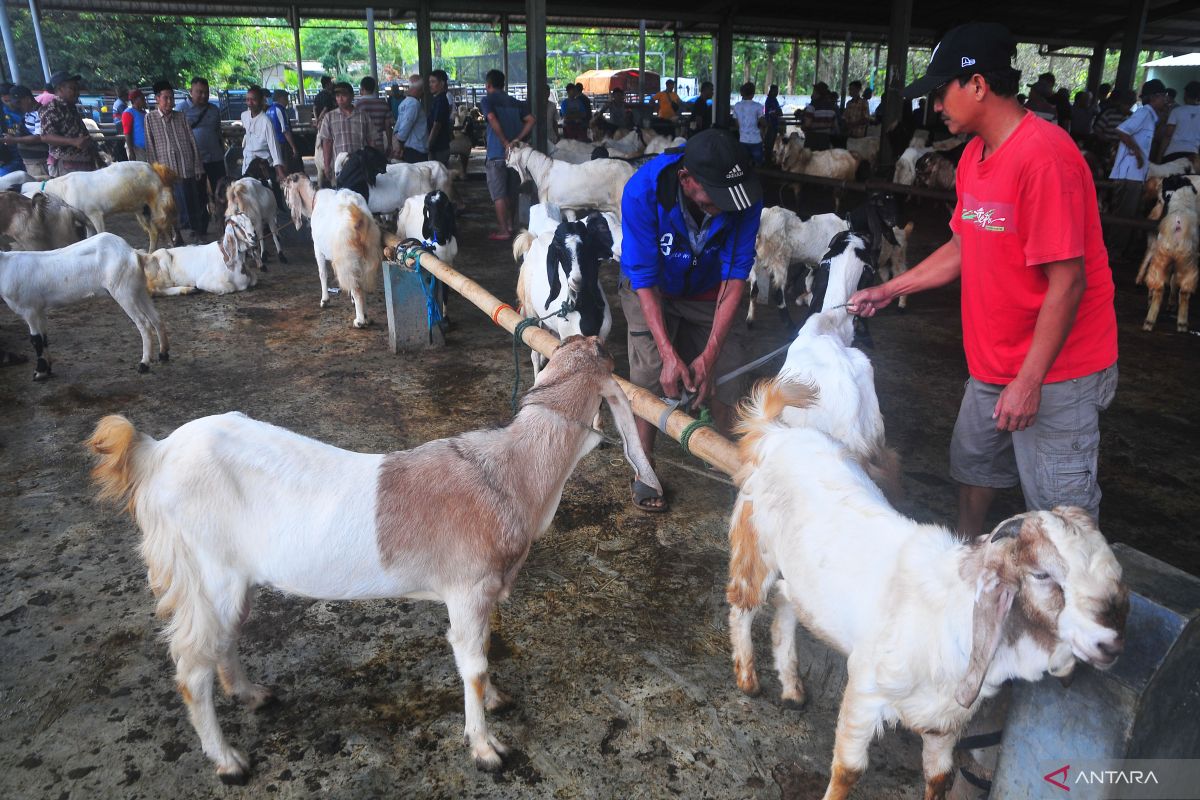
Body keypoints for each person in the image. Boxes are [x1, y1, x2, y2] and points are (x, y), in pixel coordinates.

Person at [848, 22, 1117, 533]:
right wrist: (888, 289)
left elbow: (1068, 283)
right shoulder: (974, 156)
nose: (936, 107)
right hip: (993, 362)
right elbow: (963, 246)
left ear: (976, 86)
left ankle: (1073, 606)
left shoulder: (1044, 157)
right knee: (972, 468)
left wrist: (1030, 381)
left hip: (1057, 370)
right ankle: (970, 563)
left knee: (1061, 514)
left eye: (941, 92)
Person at [619, 128, 762, 512]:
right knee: (649, 376)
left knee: (730, 376)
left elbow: (735, 278)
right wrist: (668, 352)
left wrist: (710, 355)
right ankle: (644, 468)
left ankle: (737, 469)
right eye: (715, 198)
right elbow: (643, 280)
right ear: (687, 180)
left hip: (710, 290)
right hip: (654, 289)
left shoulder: (743, 197)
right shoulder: (642, 192)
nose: (728, 206)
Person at [1107, 79, 1170, 255]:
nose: (1165, 100)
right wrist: (1137, 153)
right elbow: (1122, 130)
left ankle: (1116, 250)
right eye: (1163, 97)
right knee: (1124, 215)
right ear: (1155, 98)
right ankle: (1114, 252)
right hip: (1129, 174)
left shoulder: (1150, 116)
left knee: (1126, 213)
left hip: (1134, 173)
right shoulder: (1143, 114)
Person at [144, 79, 206, 243]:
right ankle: (177, 236)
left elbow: (192, 141)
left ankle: (195, 234)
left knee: (192, 202)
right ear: (158, 98)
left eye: (172, 98)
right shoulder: (150, 119)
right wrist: (153, 173)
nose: (170, 101)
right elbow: (150, 147)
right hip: (166, 172)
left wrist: (198, 166)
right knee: (172, 206)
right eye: (166, 98)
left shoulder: (181, 117)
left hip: (186, 167)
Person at [479, 68, 534, 241]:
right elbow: (531, 120)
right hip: (516, 155)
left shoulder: (487, 100)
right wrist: (516, 139)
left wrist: (504, 142)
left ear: (488, 85)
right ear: (502, 84)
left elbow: (492, 118)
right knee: (511, 192)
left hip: (497, 154)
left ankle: (504, 230)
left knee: (499, 194)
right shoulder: (515, 102)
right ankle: (511, 225)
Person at [179, 77, 226, 234]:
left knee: (222, 191)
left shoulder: (214, 110)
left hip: (215, 158)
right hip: (194, 161)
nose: (203, 96)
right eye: (199, 92)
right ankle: (199, 229)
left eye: (206, 92)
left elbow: (218, 132)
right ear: (191, 92)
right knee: (197, 195)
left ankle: (225, 224)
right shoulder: (181, 110)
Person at [39, 71, 98, 176]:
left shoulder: (70, 107)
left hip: (83, 163)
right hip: (66, 167)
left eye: (77, 89)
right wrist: (73, 141)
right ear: (60, 89)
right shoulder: (51, 109)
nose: (78, 93)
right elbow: (45, 137)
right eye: (73, 89)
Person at [318, 81, 375, 180]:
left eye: (344, 95)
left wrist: (373, 161)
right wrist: (327, 166)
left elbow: (371, 140)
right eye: (337, 96)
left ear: (352, 96)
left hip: (360, 165)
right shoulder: (329, 117)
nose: (340, 99)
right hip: (340, 166)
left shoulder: (363, 116)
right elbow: (327, 143)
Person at [239, 85, 287, 183]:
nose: (250, 103)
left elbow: (274, 148)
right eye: (247, 100)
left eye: (253, 100)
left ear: (261, 101)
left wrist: (280, 172)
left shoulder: (266, 121)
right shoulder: (244, 116)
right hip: (247, 165)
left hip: (263, 166)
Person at [0, 85, 37, 175]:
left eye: (12, 101)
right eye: (7, 101)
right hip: (11, 158)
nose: (11, 105)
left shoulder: (28, 110)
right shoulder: (5, 114)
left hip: (32, 156)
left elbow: (40, 136)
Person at [1161, 80, 1200, 162]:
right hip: (1193, 156)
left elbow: (1168, 135)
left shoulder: (1176, 111)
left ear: (1185, 95)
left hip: (1173, 153)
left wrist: (1159, 157)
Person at [393, 74, 428, 163]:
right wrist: (399, 145)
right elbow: (406, 126)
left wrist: (398, 142)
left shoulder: (403, 103)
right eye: (422, 89)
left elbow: (398, 127)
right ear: (419, 89)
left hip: (409, 148)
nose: (423, 92)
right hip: (416, 149)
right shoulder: (414, 104)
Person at [356, 76, 394, 153]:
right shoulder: (383, 104)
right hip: (379, 143)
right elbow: (388, 126)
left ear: (362, 88)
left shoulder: (358, 105)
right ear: (374, 88)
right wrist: (390, 144)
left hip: (363, 145)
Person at [731, 81, 765, 164]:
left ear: (742, 93)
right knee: (758, 165)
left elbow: (737, 124)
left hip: (743, 139)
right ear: (753, 93)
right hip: (756, 140)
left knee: (743, 164)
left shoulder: (737, 106)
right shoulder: (758, 106)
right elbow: (763, 123)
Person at [267, 89, 301, 171]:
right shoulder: (280, 110)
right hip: (283, 144)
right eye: (286, 98)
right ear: (281, 98)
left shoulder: (269, 110)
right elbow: (285, 130)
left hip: (272, 143)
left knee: (278, 167)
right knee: (288, 168)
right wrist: (293, 147)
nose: (287, 101)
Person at [426, 69, 453, 166]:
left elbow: (436, 125)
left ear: (442, 83)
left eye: (433, 82)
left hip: (439, 147)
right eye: (430, 82)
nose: (430, 85)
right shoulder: (437, 99)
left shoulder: (441, 101)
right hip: (438, 147)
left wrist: (428, 144)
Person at [801, 82, 837, 150]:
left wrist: (803, 127)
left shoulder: (812, 107)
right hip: (825, 140)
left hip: (812, 140)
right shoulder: (832, 107)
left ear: (818, 93)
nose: (812, 94)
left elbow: (807, 124)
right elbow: (834, 125)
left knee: (810, 159)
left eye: (814, 92)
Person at [121, 89, 148, 161]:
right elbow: (127, 133)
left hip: (146, 148)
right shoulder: (128, 113)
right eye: (142, 99)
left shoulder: (144, 113)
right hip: (136, 149)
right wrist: (131, 151)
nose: (144, 100)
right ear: (135, 100)